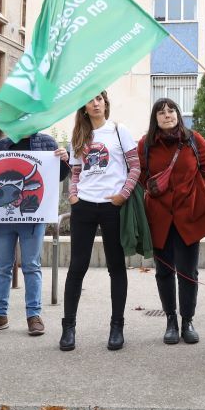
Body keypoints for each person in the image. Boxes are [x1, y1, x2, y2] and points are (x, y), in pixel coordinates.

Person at [60, 91, 140, 352]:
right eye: (90, 99)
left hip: (112, 207)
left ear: (106, 102)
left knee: (116, 267)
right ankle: (68, 327)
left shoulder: (119, 130)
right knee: (77, 267)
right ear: (84, 107)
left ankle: (117, 327)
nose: (95, 103)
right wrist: (73, 196)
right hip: (83, 207)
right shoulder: (79, 137)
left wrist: (122, 196)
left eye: (99, 98)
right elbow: (75, 171)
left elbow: (135, 167)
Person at [138, 97, 205, 345]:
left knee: (188, 271)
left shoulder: (191, 138)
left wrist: (197, 186)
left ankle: (187, 320)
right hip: (159, 216)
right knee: (164, 271)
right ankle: (171, 320)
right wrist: (152, 189)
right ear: (155, 118)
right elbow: (139, 171)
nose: (167, 115)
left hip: (188, 214)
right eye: (161, 112)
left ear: (177, 114)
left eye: (171, 110)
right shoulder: (146, 144)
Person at [0, 129, 69, 336]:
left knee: (32, 266)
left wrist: (64, 159)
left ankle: (33, 315)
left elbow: (60, 175)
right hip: (2, 222)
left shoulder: (47, 142)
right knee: (2, 266)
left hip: (33, 219)